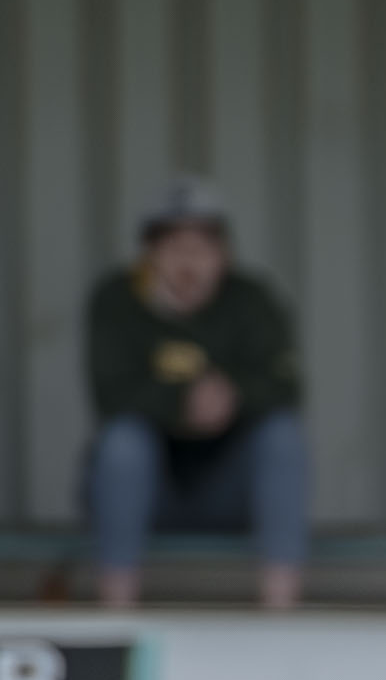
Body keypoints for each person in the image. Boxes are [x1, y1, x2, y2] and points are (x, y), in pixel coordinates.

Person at [80, 176, 308, 610]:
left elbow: (286, 386)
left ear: (224, 254)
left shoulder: (250, 300)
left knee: (283, 436)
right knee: (122, 443)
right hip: (149, 491)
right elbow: (110, 394)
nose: (189, 263)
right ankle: (116, 607)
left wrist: (231, 396)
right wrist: (182, 402)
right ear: (149, 255)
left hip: (230, 489)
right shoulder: (118, 299)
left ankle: (281, 604)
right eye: (174, 249)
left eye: (201, 249)